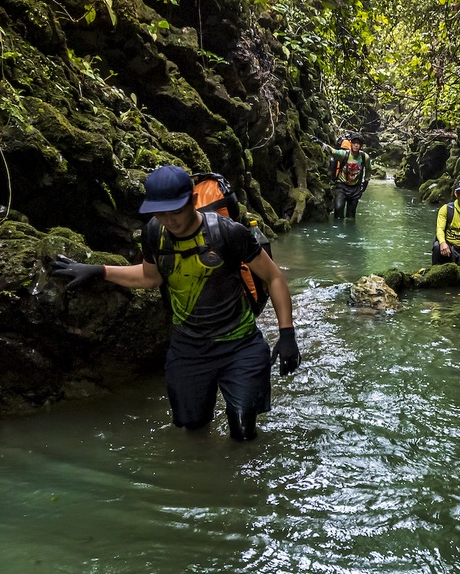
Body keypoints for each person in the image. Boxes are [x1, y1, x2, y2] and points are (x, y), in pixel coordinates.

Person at [51, 165, 298, 441]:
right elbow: (150, 277)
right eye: (161, 212)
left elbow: (273, 277)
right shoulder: (154, 234)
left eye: (176, 210)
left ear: (192, 201)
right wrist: (100, 271)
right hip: (188, 347)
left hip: (240, 344)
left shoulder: (229, 233)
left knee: (242, 430)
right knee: (192, 426)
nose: (170, 220)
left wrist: (287, 334)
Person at [316, 134, 371, 221]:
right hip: (342, 186)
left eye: (358, 143)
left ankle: (349, 232)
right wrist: (321, 143)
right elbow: (332, 151)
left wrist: (366, 182)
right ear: (351, 144)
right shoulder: (344, 154)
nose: (356, 145)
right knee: (338, 209)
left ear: (361, 146)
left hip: (355, 189)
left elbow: (368, 170)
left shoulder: (365, 157)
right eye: (354, 143)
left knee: (351, 215)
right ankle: (338, 230)